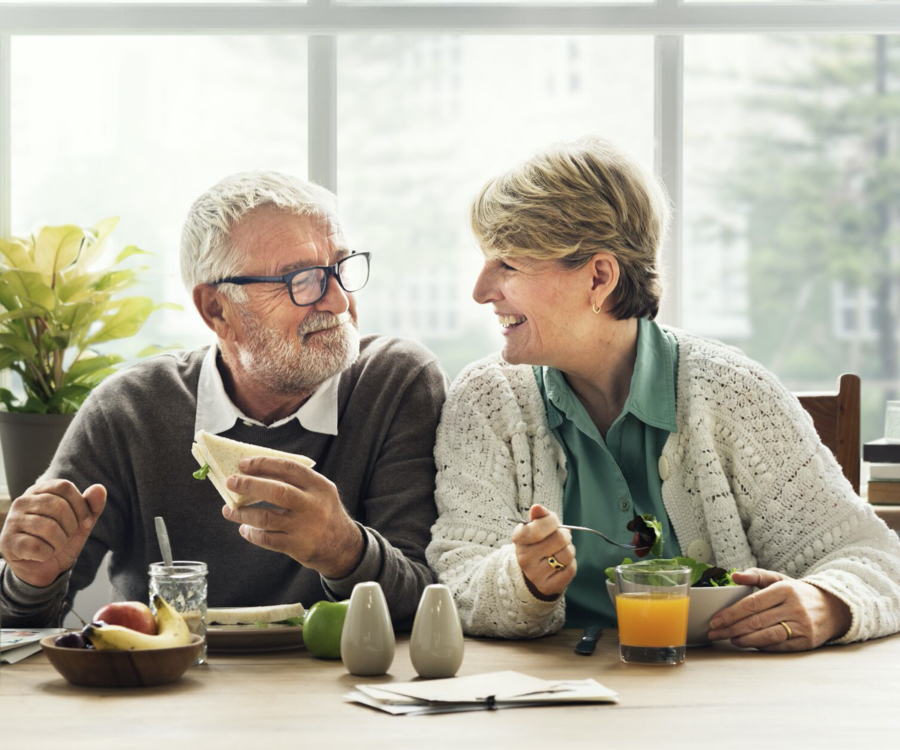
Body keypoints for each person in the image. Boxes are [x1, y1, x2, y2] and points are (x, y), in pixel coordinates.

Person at [427, 137, 900, 650]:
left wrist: (829, 602)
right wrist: (519, 581)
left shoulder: (735, 392)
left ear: (600, 276)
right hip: (548, 711)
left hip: (723, 703)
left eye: (508, 266)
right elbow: (457, 578)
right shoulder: (487, 399)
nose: (480, 290)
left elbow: (872, 556)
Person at [0, 171, 447, 629]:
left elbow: (428, 606)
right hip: (164, 685)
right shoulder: (128, 411)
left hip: (338, 690)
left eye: (341, 267)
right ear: (217, 310)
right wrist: (31, 578)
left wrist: (343, 550)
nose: (337, 300)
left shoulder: (397, 383)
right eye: (303, 279)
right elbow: (20, 626)